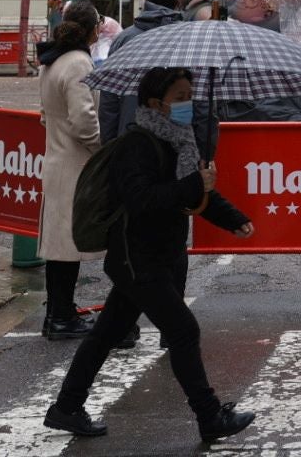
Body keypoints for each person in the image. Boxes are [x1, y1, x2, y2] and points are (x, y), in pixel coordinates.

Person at [44, 67, 256, 444]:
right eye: (180, 97)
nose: (187, 103)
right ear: (155, 103)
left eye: (190, 95)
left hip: (159, 254)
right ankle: (209, 417)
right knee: (183, 330)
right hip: (136, 258)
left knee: (107, 332)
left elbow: (194, 197)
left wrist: (233, 218)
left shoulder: (181, 142)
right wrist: (194, 183)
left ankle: (67, 407)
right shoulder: (137, 145)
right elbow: (142, 200)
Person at [36, 1, 104, 341]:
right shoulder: (79, 63)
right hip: (76, 163)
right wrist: (101, 148)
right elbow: (84, 121)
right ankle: (62, 317)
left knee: (59, 244)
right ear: (92, 30)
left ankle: (56, 313)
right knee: (68, 245)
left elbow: (45, 114)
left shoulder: (51, 61)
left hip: (56, 158)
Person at [99, 0, 184, 143]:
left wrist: (109, 145)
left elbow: (110, 98)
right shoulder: (190, 40)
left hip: (131, 143)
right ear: (178, 0)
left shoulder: (124, 40)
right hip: (177, 144)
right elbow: (202, 102)